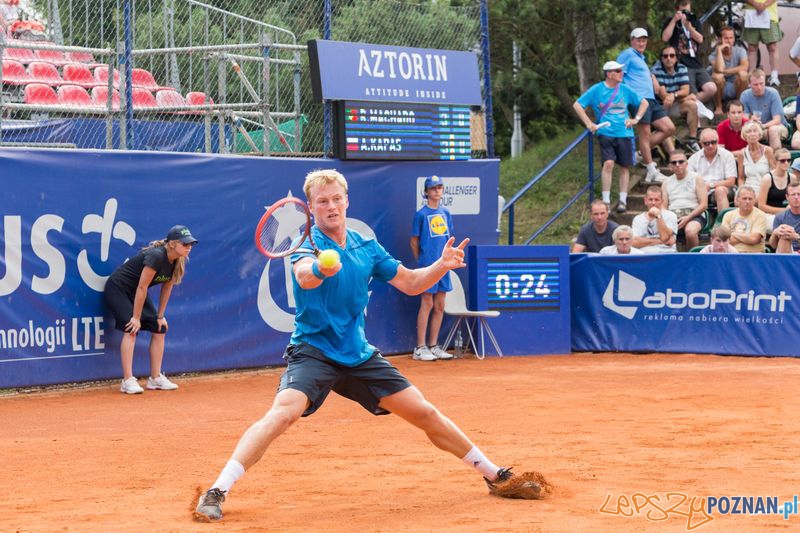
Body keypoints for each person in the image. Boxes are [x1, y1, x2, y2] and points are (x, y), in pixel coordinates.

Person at [194, 169, 546, 522]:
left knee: (423, 412)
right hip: (313, 350)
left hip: (357, 353)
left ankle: (492, 474)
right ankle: (218, 489)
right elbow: (304, 276)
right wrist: (320, 269)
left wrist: (440, 265)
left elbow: (409, 283)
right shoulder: (306, 244)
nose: (331, 206)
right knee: (283, 412)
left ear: (347, 201)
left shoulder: (366, 246)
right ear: (311, 208)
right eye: (322, 201)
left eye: (336, 199)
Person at [103, 225, 197, 394]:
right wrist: (136, 317)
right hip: (119, 288)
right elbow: (141, 287)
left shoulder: (178, 260)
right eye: (185, 244)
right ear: (173, 244)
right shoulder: (156, 256)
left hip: (138, 291)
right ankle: (127, 380)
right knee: (131, 328)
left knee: (159, 328)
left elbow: (167, 288)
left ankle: (155, 378)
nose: (189, 247)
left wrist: (160, 316)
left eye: (191, 244)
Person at [573, 60, 648, 212]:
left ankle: (622, 200)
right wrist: (589, 123)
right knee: (608, 164)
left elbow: (644, 102)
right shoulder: (597, 90)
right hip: (606, 132)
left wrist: (636, 119)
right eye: (619, 71)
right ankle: (606, 201)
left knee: (624, 166)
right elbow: (577, 105)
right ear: (609, 74)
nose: (622, 74)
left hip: (625, 133)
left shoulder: (625, 89)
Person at [617, 28, 677, 184]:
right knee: (645, 134)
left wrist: (652, 76)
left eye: (644, 40)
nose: (641, 42)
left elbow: (640, 74)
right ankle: (651, 171)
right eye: (638, 39)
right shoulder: (627, 54)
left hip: (650, 99)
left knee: (669, 128)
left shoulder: (640, 57)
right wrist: (626, 97)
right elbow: (617, 75)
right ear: (632, 40)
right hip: (638, 99)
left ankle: (638, 153)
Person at [410, 175, 454, 362]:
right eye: (433, 188)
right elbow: (414, 241)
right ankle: (420, 348)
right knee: (426, 304)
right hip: (428, 265)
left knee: (440, 305)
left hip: (444, 265)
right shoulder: (421, 214)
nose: (437, 190)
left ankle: (434, 345)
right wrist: (422, 262)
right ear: (426, 192)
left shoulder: (446, 213)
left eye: (440, 187)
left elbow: (449, 239)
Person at [661, 0, 717, 109]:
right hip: (681, 64)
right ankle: (691, 110)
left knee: (711, 88)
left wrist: (689, 27)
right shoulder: (671, 21)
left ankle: (683, 104)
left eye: (687, 6)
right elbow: (665, 38)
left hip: (696, 63)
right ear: (677, 8)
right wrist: (674, 20)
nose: (686, 10)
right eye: (682, 7)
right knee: (691, 92)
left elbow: (700, 39)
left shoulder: (694, 21)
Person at [651, 45, 701, 152]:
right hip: (661, 106)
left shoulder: (682, 68)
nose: (668, 58)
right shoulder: (656, 70)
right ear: (661, 58)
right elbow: (663, 94)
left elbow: (686, 90)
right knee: (673, 101)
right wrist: (681, 97)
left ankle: (693, 140)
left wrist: (675, 95)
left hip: (674, 102)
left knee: (692, 105)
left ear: (676, 58)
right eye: (665, 56)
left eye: (672, 55)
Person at [662, 149, 708, 249]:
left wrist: (688, 218)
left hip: (695, 215)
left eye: (681, 162)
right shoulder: (666, 182)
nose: (677, 164)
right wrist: (669, 220)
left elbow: (704, 204)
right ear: (670, 166)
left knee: (690, 232)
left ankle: (692, 259)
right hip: (673, 216)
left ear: (686, 164)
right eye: (674, 162)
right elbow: (664, 207)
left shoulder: (697, 178)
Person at [688, 128, 737, 211]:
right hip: (701, 191)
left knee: (720, 191)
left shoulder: (727, 155)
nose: (710, 145)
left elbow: (731, 181)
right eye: (706, 143)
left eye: (713, 142)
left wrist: (711, 185)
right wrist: (701, 188)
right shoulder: (693, 159)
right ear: (701, 144)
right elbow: (689, 181)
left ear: (718, 141)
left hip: (725, 189)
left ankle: (723, 222)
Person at [740, 69, 788, 150]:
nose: (759, 87)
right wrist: (751, 118)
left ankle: (777, 158)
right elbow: (744, 117)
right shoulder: (745, 95)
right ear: (749, 84)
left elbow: (777, 120)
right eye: (755, 84)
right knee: (748, 131)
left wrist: (763, 126)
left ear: (765, 82)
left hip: (778, 126)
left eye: (761, 84)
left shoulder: (773, 93)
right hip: (757, 128)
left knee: (772, 130)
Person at [741, 0, 783, 87]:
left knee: (772, 47)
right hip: (751, 14)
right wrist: (756, 4)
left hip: (770, 14)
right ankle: (751, 77)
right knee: (752, 48)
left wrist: (764, 5)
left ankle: (774, 76)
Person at [709, 27, 750, 115]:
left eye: (731, 38)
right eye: (726, 38)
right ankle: (719, 106)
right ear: (720, 39)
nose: (729, 41)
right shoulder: (712, 56)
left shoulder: (740, 51)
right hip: (721, 88)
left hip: (736, 86)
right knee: (717, 76)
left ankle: (739, 105)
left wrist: (726, 71)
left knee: (743, 75)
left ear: (734, 39)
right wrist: (719, 50)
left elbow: (744, 66)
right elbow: (719, 69)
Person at [632, 185, 679, 253]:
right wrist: (660, 241)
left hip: (667, 253)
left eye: (656, 200)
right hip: (644, 255)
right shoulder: (638, 219)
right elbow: (635, 243)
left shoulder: (671, 216)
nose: (653, 203)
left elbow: (664, 237)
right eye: (650, 199)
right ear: (645, 201)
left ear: (662, 201)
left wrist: (658, 215)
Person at [720, 186, 768, 253]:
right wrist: (747, 237)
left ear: (754, 201)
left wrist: (733, 234)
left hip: (754, 255)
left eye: (750, 199)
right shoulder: (728, 215)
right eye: (744, 198)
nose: (747, 201)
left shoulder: (760, 215)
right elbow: (724, 239)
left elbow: (754, 239)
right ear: (737, 200)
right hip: (731, 254)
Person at [736, 121, 774, 198]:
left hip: (765, 188)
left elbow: (774, 173)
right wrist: (741, 191)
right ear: (744, 135)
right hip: (748, 190)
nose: (752, 134)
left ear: (759, 134)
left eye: (755, 131)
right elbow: (741, 178)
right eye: (749, 131)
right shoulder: (741, 154)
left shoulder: (768, 151)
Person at [758, 147, 791, 228]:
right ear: (776, 162)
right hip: (768, 215)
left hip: (787, 215)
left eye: (789, 160)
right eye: (782, 161)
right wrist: (784, 211)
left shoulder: (792, 178)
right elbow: (761, 206)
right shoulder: (767, 179)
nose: (786, 163)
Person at [770, 180, 800, 253]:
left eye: (799, 194)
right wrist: (775, 233)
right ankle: (786, 264)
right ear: (787, 197)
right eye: (793, 194)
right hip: (786, 250)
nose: (796, 197)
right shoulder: (780, 216)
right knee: (784, 234)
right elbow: (773, 245)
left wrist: (796, 236)